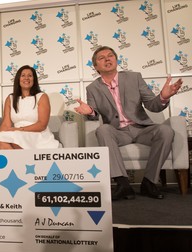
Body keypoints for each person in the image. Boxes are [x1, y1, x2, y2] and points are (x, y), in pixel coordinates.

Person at [75, 46, 183, 201]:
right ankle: (123, 184)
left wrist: (163, 97)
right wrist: (90, 112)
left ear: (116, 60)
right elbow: (94, 116)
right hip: (118, 132)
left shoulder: (134, 77)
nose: (107, 59)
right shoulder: (93, 88)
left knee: (166, 131)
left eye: (110, 55)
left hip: (142, 128)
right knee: (103, 130)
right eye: (101, 58)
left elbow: (153, 105)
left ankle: (149, 182)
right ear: (96, 66)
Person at [0, 65, 60, 149]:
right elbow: (6, 124)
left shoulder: (42, 96)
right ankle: (20, 162)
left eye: (30, 76)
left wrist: (19, 130)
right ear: (18, 79)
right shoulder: (10, 98)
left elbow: (42, 125)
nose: (26, 78)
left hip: (37, 134)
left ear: (34, 79)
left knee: (15, 138)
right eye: (23, 75)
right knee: (0, 139)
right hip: (17, 133)